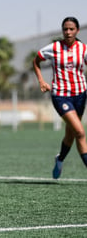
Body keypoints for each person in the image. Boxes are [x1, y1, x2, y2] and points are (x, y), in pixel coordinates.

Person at [33, 16, 87, 179]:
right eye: (65, 29)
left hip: (80, 94)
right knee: (80, 132)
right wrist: (42, 81)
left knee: (71, 134)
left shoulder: (83, 49)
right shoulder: (54, 48)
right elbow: (36, 61)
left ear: (77, 30)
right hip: (60, 95)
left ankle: (60, 159)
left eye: (71, 29)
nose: (68, 32)